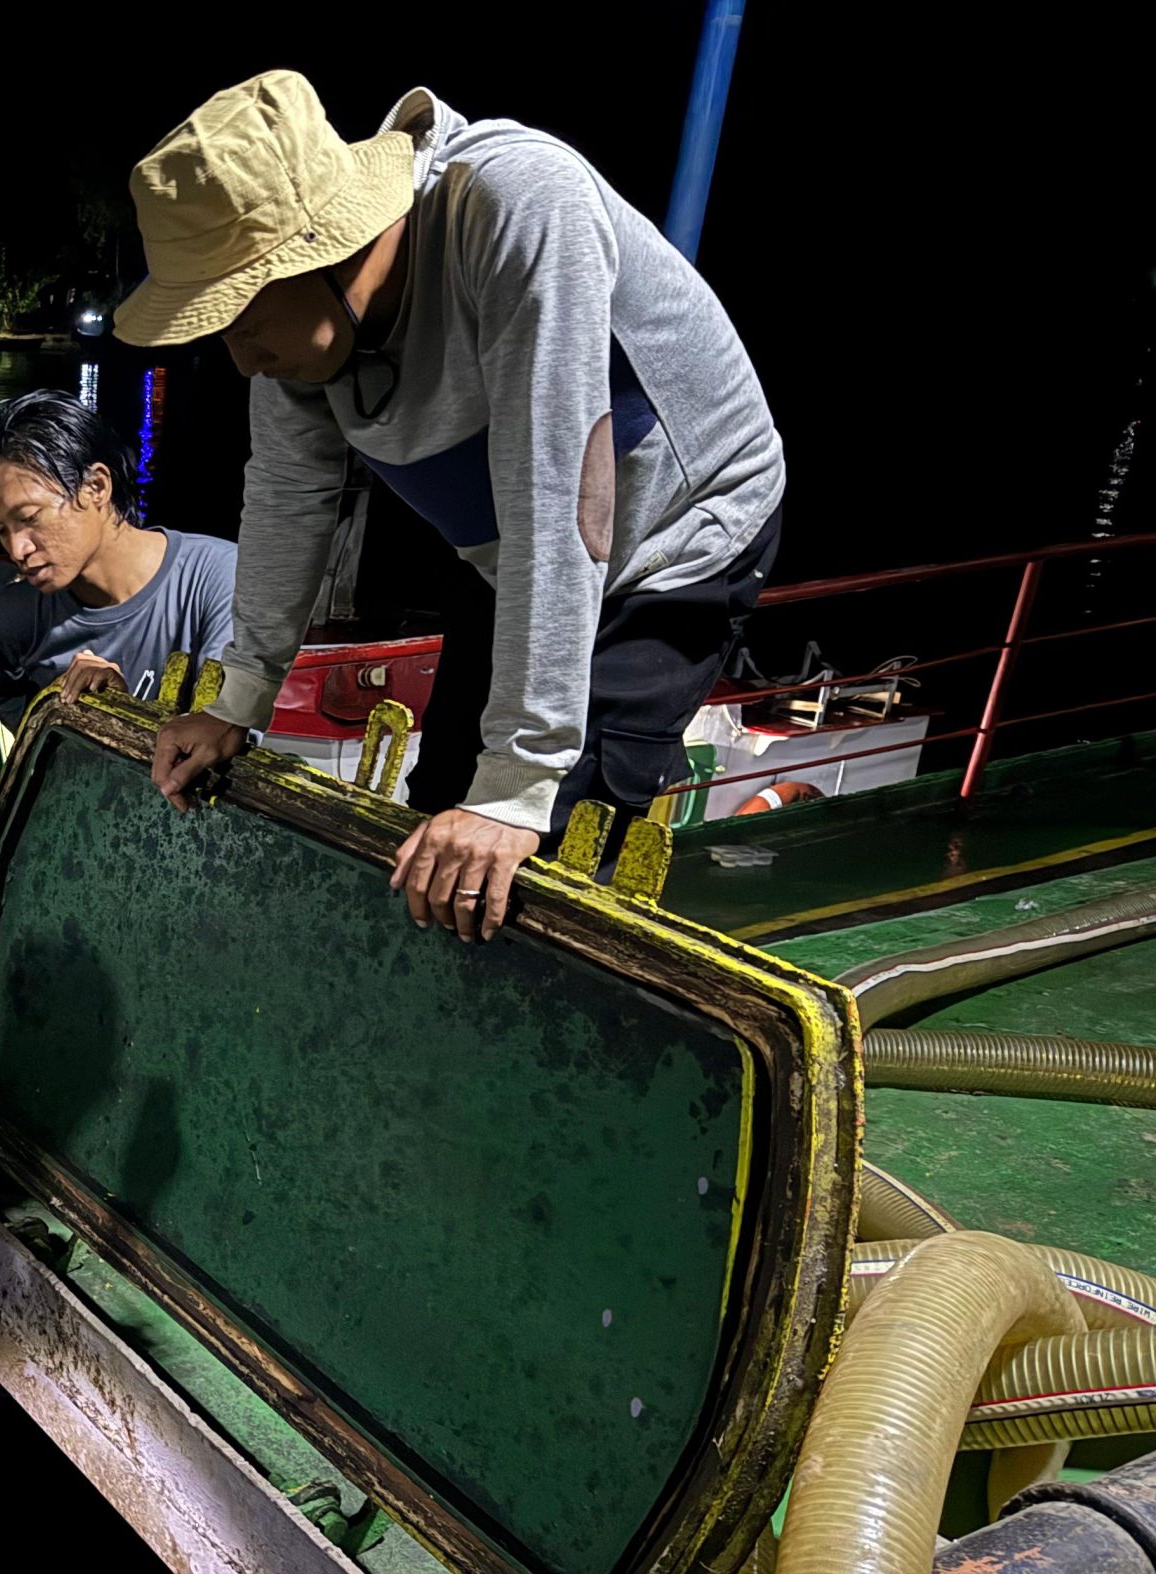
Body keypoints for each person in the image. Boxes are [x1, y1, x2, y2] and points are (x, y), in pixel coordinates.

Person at [115, 72, 785, 941]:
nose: (241, 361)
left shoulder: (516, 207)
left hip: (671, 534)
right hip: (508, 551)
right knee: (437, 817)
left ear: (326, 247)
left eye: (241, 319)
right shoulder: (298, 332)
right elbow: (286, 495)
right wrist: (237, 699)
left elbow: (558, 495)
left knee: (545, 855)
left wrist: (519, 786)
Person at [0, 390, 238, 728]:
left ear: (96, 487)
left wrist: (116, 710)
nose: (17, 550)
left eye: (30, 517)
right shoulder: (12, 616)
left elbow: (220, 734)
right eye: (0, 530)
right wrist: (52, 726)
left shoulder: (219, 579)